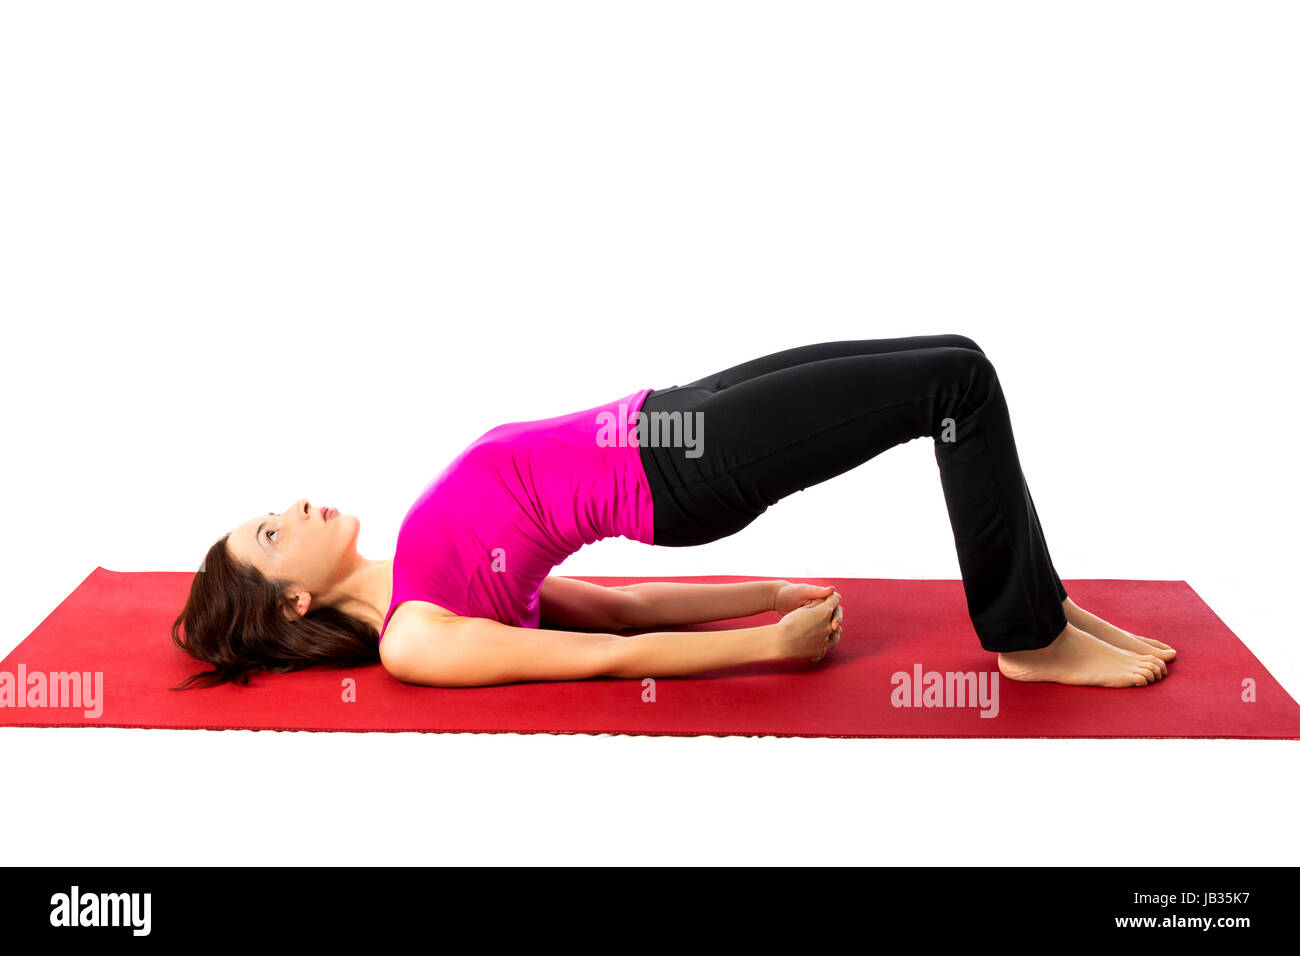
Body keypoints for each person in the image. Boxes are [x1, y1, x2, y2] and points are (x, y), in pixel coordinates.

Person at [173, 334, 1175, 690]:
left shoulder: (418, 573)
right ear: (296, 595)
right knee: (954, 385)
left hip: (667, 417)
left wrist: (762, 591)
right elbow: (609, 658)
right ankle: (1026, 635)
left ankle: (1043, 604)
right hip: (679, 470)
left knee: (954, 352)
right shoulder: (417, 637)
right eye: (272, 530)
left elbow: (615, 608)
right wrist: (766, 646)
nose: (293, 505)